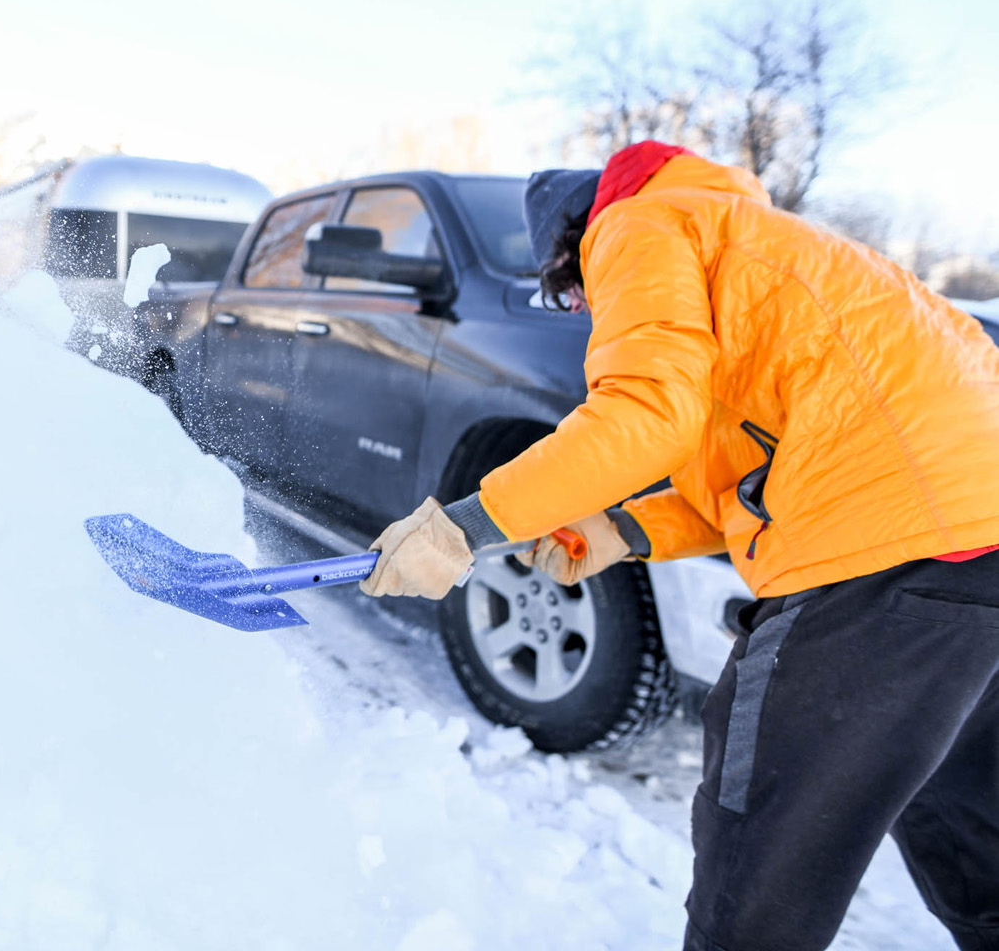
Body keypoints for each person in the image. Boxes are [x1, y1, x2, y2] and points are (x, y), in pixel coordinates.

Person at [359, 140, 999, 951]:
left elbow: (646, 415)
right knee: (968, 831)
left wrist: (465, 527)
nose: (585, 308)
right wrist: (621, 529)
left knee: (756, 866)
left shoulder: (635, 224)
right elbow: (747, 474)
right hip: (979, 548)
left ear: (572, 246)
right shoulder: (752, 242)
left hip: (884, 553)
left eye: (569, 292)